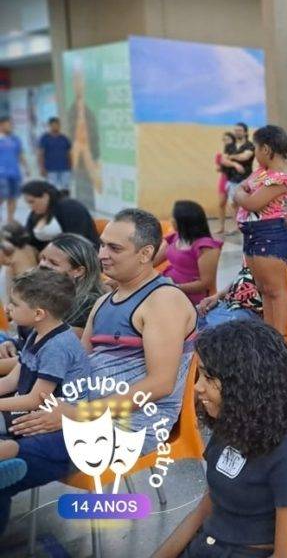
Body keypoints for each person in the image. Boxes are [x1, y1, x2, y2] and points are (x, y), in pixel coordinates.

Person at [0, 208, 197, 534]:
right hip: (81, 411)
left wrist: (76, 414)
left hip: (129, 426)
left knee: (11, 462)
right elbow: (77, 365)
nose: (102, 254)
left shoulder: (163, 301)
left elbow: (160, 385)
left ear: (145, 253)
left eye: (114, 248)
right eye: (102, 245)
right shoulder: (106, 302)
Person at [153, 319, 287, 558]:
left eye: (208, 377)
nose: (197, 387)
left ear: (244, 383)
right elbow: (204, 510)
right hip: (207, 547)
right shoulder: (234, 423)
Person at [0, 270, 88, 485]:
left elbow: (36, 400)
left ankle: (5, 468)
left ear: (39, 313)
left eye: (15, 304)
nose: (8, 308)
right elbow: (12, 380)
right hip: (28, 406)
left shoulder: (57, 347)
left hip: (53, 418)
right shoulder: (37, 332)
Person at [233, 125, 287, 335]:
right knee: (264, 289)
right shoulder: (262, 172)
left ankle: (279, 340)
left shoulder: (282, 178)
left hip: (269, 236)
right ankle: (269, 335)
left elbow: (251, 202)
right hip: (253, 235)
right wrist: (241, 193)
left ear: (266, 149)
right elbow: (243, 188)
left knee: (276, 291)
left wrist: (239, 194)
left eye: (256, 148)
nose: (255, 153)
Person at [198, 229, 287, 330]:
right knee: (193, 319)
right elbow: (245, 275)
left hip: (253, 312)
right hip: (229, 304)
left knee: (211, 334)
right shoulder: (255, 238)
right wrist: (218, 296)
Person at [35, 234, 107, 335]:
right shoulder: (47, 292)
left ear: (78, 271)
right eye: (43, 258)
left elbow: (61, 340)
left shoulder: (87, 303)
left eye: (54, 263)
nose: (43, 265)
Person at [155, 200, 223, 305]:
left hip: (192, 298)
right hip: (169, 288)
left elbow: (206, 283)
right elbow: (153, 261)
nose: (171, 220)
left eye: (174, 217)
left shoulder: (206, 247)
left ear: (184, 221)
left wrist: (175, 287)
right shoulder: (177, 237)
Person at [21, 180, 99, 251]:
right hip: (49, 254)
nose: (30, 206)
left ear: (45, 196)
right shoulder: (36, 213)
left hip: (80, 253)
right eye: (28, 203)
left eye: (32, 202)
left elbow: (75, 240)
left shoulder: (70, 208)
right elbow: (28, 237)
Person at [219, 122, 257, 228]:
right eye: (235, 130)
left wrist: (231, 157)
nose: (237, 132)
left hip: (245, 179)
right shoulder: (229, 146)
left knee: (245, 203)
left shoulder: (250, 145)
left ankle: (248, 224)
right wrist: (235, 164)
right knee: (233, 204)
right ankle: (237, 226)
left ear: (245, 132)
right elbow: (223, 160)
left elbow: (245, 157)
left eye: (239, 130)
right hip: (232, 179)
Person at [0, 223, 38, 300]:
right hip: (34, 290)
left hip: (18, 294)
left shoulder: (9, 257)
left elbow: (9, 289)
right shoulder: (32, 249)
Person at [0, 117, 27, 224]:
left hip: (15, 173)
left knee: (13, 197)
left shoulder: (15, 139)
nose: (10, 126)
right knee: (2, 196)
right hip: (1, 174)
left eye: (11, 124)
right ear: (1, 125)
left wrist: (26, 167)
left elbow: (20, 154)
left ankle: (10, 219)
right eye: (8, 124)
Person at [36, 118, 73, 195]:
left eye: (57, 125)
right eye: (53, 125)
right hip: (51, 169)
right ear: (49, 126)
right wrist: (42, 168)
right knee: (52, 190)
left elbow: (69, 153)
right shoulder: (44, 138)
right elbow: (41, 154)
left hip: (65, 168)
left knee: (65, 189)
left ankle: (65, 202)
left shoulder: (64, 138)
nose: (56, 127)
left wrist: (70, 166)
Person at [215, 131, 237, 234]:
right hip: (223, 179)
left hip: (234, 179)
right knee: (221, 203)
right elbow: (218, 168)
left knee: (234, 205)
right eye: (224, 139)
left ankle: (237, 226)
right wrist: (222, 166)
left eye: (228, 139)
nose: (226, 141)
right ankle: (221, 227)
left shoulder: (237, 154)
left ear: (233, 140)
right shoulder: (220, 155)